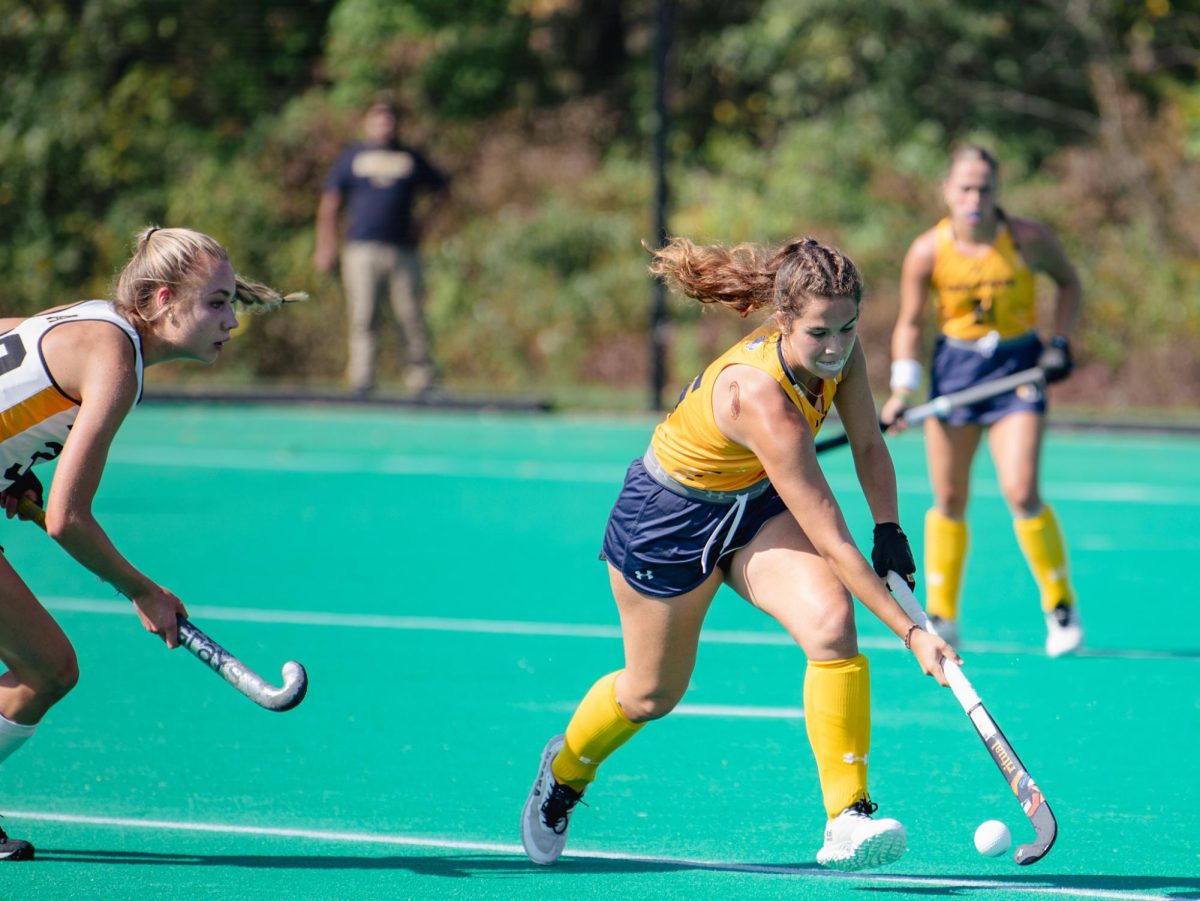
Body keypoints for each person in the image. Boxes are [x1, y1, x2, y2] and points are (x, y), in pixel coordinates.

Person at [520, 236, 960, 872]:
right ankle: (565, 770)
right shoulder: (761, 399)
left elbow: (868, 444)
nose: (835, 346)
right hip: (666, 522)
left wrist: (889, 528)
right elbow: (833, 539)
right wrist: (915, 633)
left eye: (847, 327)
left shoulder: (843, 352)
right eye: (819, 333)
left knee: (831, 623)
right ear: (784, 321)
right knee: (651, 694)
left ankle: (847, 815)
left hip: (751, 506)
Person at [0, 227, 303, 860]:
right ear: (164, 298)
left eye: (233, 304)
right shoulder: (116, 363)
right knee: (46, 669)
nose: (232, 322)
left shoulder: (93, 319)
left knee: (48, 669)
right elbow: (67, 517)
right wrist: (145, 592)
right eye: (217, 303)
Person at [879, 144, 1083, 657]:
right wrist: (903, 390)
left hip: (1017, 371)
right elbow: (909, 323)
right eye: (964, 187)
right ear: (947, 190)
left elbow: (1069, 283)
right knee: (949, 498)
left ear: (997, 191)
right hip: (956, 375)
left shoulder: (1027, 239)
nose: (974, 197)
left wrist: (1059, 343)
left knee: (1020, 490)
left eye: (984, 188)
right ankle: (943, 616)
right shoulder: (927, 250)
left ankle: (1060, 605)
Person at [314, 92, 449, 396]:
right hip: (361, 249)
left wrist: (425, 224)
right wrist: (326, 246)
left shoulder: (410, 157)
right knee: (364, 315)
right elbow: (330, 204)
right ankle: (363, 379)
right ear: (367, 121)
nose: (384, 122)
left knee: (411, 315)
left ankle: (422, 379)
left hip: (403, 250)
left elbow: (442, 192)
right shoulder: (353, 157)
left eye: (390, 117)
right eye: (378, 116)